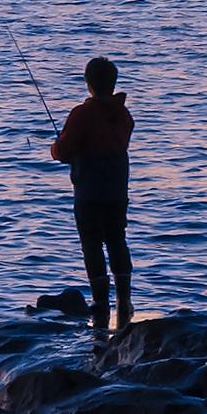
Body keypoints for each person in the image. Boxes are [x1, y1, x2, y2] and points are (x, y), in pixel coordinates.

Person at [49, 56, 134, 332]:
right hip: (117, 189)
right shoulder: (124, 115)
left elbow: (62, 151)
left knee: (92, 245)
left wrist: (55, 146)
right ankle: (125, 300)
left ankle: (101, 303)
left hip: (88, 191)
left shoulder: (81, 114)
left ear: (88, 84)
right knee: (117, 240)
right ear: (112, 83)